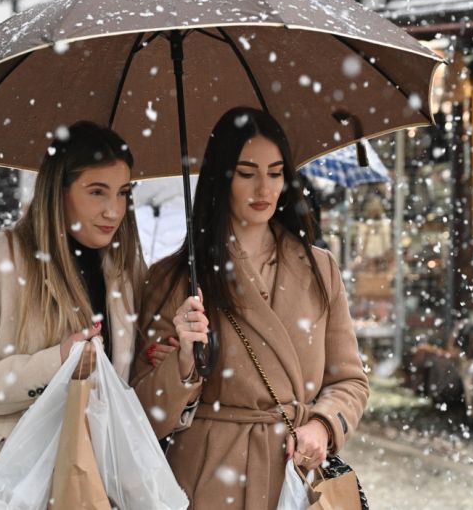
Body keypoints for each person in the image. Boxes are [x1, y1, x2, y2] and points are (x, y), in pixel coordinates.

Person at [131, 107, 370, 509]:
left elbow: (350, 381)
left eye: (275, 173)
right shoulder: (175, 279)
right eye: (247, 173)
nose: (264, 188)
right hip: (206, 478)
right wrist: (184, 364)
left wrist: (321, 425)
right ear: (221, 178)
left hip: (295, 479)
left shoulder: (319, 269)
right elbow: (143, 414)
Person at [0, 121, 173, 509]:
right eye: (96, 192)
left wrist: (168, 363)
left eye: (124, 193)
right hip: (5, 484)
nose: (114, 210)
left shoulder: (124, 274)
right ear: (58, 190)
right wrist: (56, 362)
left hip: (87, 482)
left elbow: (124, 391)